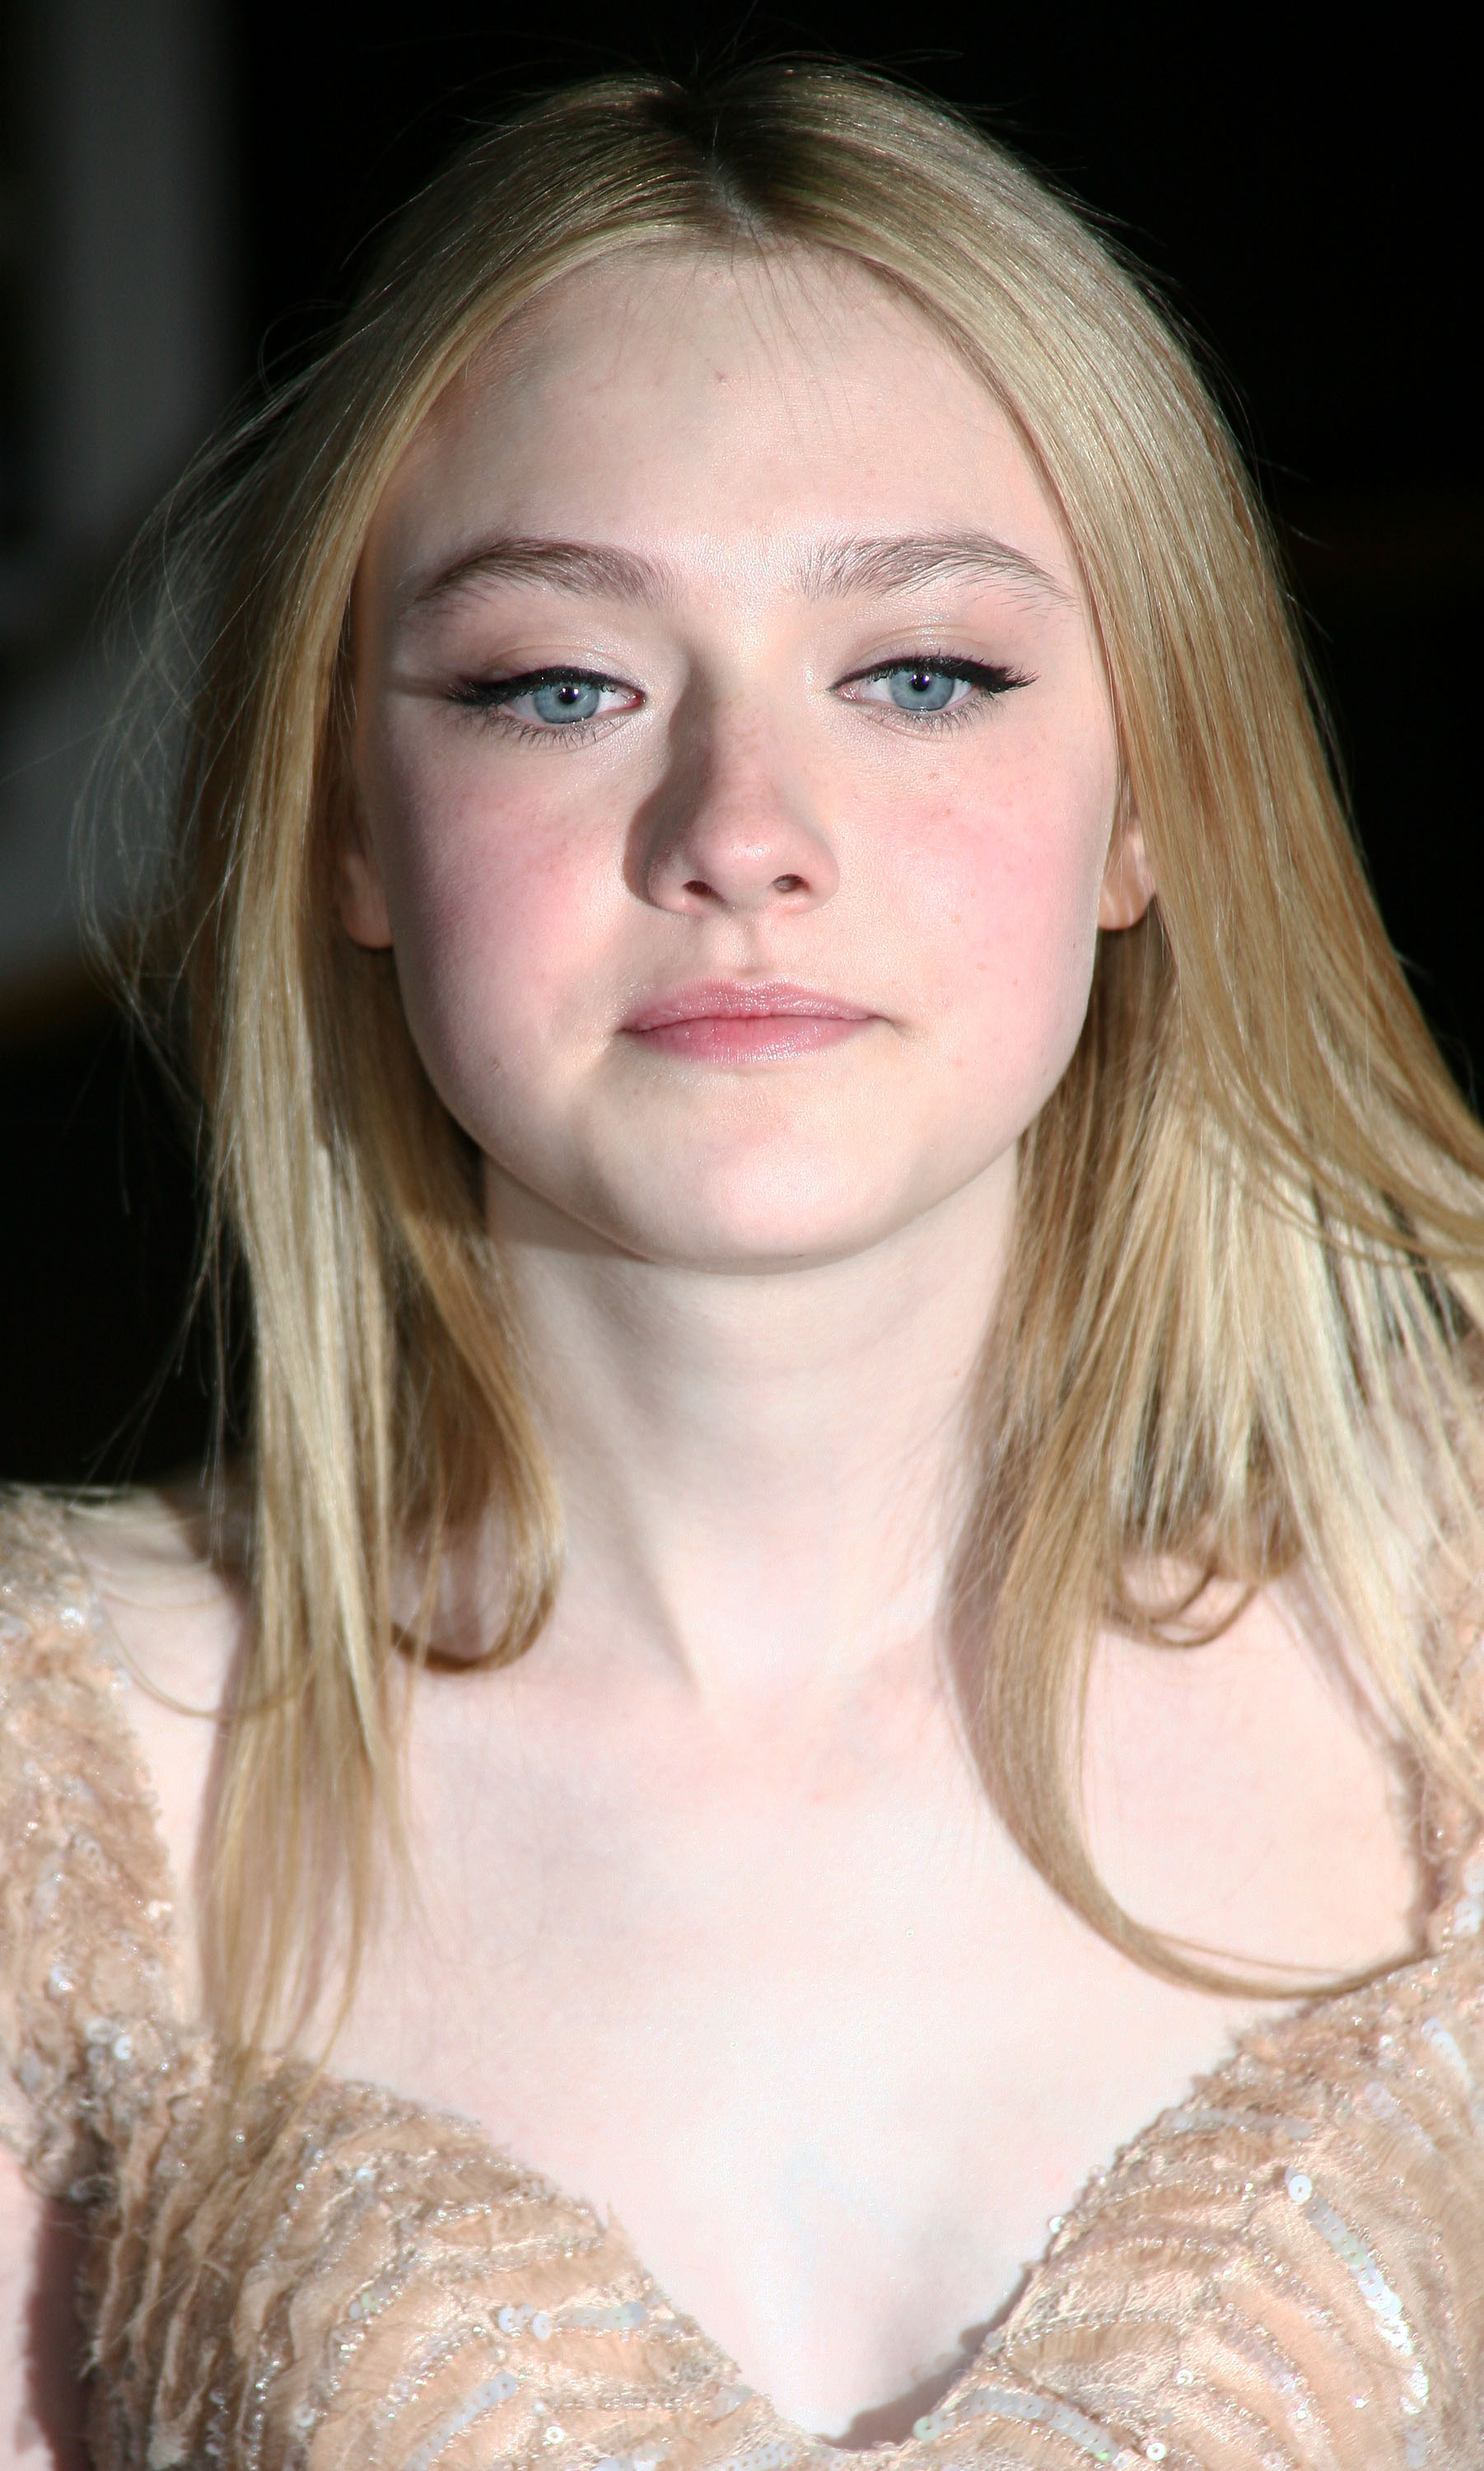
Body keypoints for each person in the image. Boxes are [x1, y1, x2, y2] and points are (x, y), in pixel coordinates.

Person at [3, 60, 1484, 2471]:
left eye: (921, 673)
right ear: (350, 822)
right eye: (558, 685)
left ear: (1153, 797)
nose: (742, 832)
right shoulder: (57, 1779)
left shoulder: (1456, 1647)